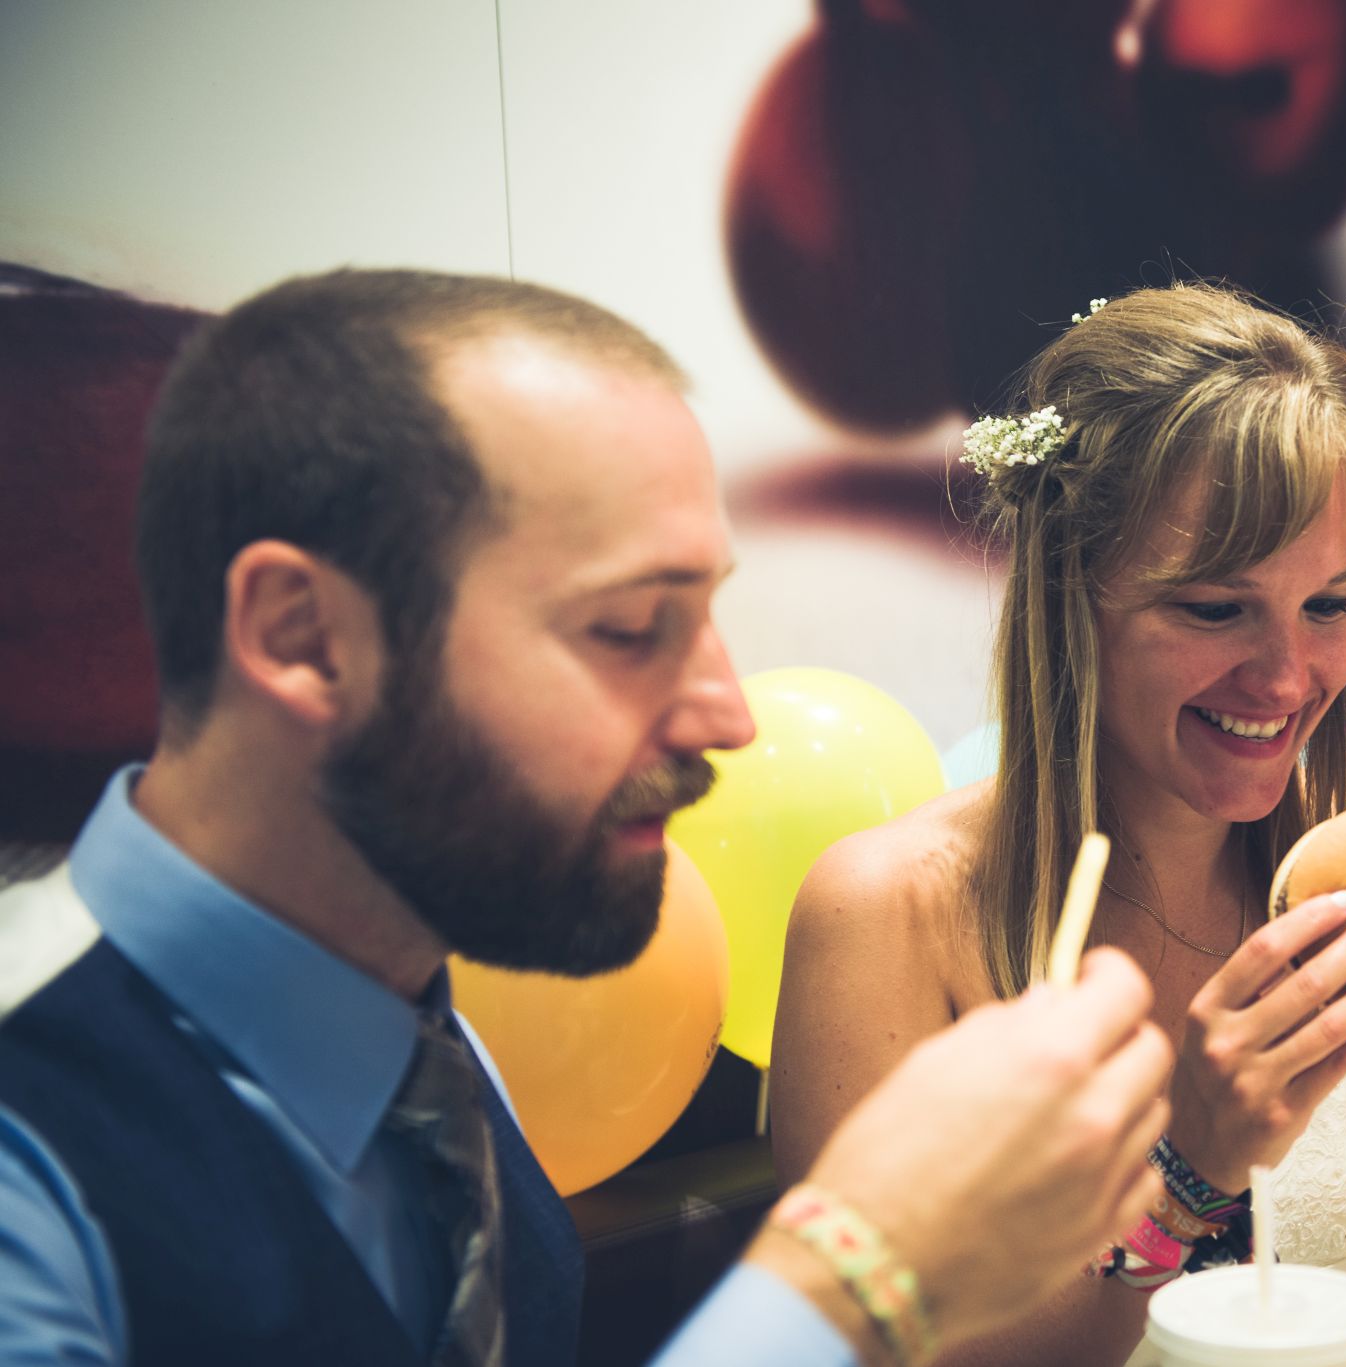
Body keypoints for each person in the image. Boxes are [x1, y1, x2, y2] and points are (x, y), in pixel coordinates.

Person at [0, 268, 1175, 1366]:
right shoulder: (32, 1159)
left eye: (706, 616)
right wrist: (859, 1268)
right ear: (303, 636)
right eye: (624, 627)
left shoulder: (423, 1047)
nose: (727, 716)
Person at [772, 283, 1346, 1366]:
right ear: (1070, 597)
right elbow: (863, 1352)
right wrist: (1187, 1178)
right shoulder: (886, 910)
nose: (1286, 678)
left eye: (1329, 603)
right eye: (1213, 608)